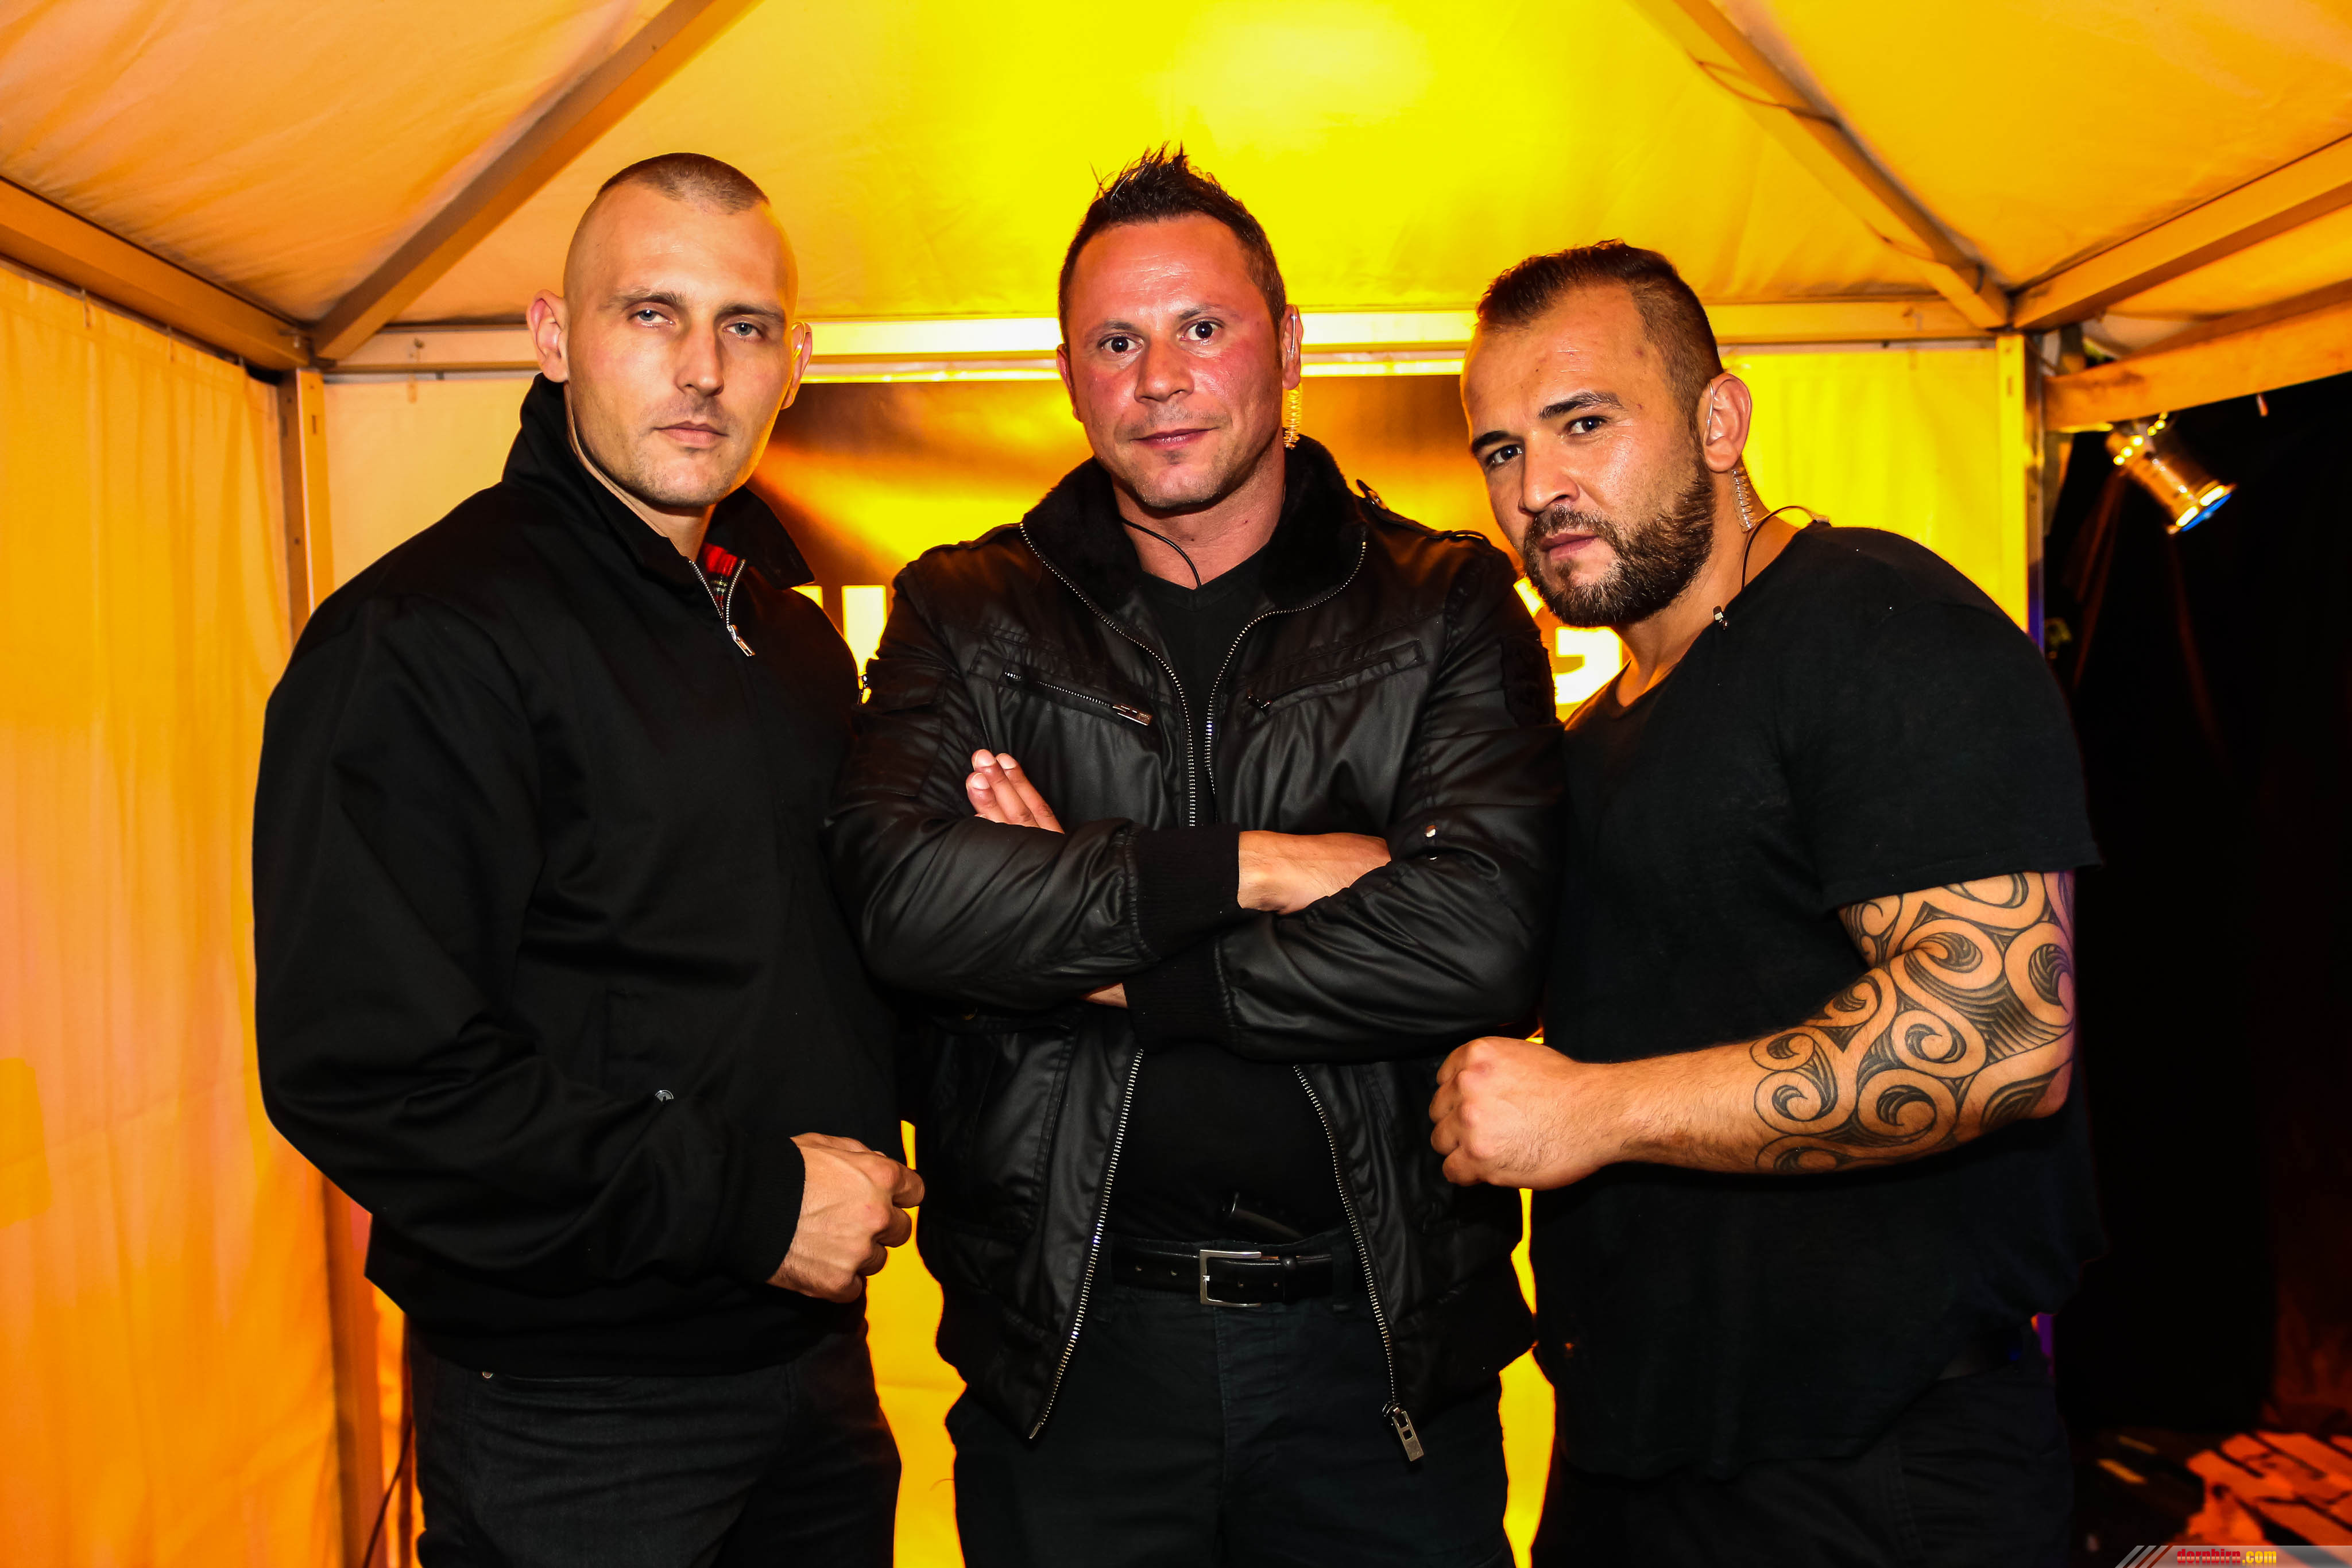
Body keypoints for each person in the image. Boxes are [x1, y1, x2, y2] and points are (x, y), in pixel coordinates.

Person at [825, 148, 1562, 1567]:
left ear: (1287, 345)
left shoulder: (1442, 602)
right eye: (1115, 342)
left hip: (1376, 1357)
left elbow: (1479, 939)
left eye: (1200, 328)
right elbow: (906, 904)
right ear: (1067, 374)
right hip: (1073, 1360)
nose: (1158, 378)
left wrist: (1090, 944)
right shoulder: (967, 610)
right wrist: (1262, 867)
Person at [254, 154, 919, 1567]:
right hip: (573, 1412)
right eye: (649, 313)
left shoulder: (788, 637)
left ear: (795, 364)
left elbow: (799, 970)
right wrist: (751, 1202)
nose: (701, 368)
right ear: (554, 338)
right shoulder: (428, 635)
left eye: (744, 326)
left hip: (808, 1370)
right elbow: (369, 1070)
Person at [1430, 241, 2102, 1566]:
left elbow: (1998, 1032)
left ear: (1718, 422)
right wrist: (1145, 868)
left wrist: (1590, 1111)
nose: (1537, 487)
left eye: (1582, 423)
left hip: (1869, 1470)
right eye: (1501, 449)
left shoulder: (1874, 624)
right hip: (1633, 1457)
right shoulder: (1591, 744)